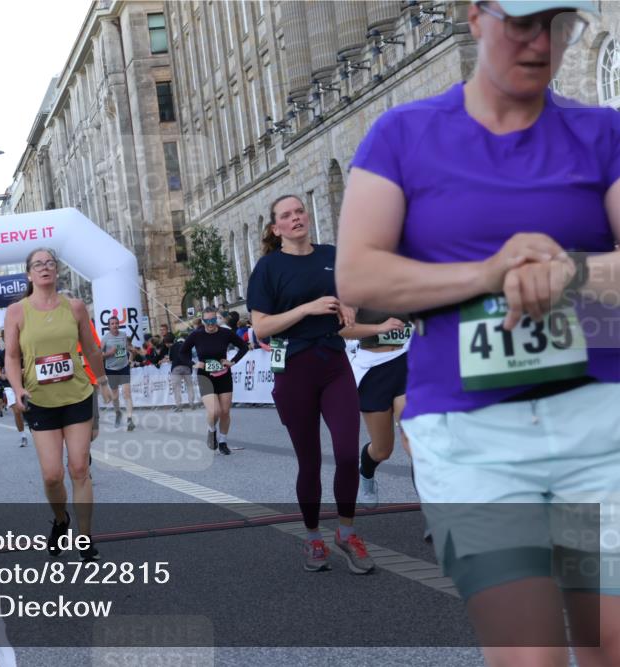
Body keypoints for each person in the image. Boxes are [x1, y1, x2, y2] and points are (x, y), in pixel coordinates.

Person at [336, 0, 620, 660]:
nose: (540, 42)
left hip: (599, 426)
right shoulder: (401, 135)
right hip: (471, 438)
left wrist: (569, 273)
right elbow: (359, 275)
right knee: (530, 653)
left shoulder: (602, 133)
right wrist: (491, 273)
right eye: (522, 22)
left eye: (559, 24)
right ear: (474, 16)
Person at [247, 194, 374, 575]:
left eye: (300, 210)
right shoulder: (268, 268)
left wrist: (349, 305)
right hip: (294, 369)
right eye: (286, 215)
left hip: (334, 363)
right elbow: (260, 327)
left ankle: (346, 533)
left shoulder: (332, 255)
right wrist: (307, 308)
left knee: (348, 454)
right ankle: (314, 537)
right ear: (276, 228)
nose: (296, 217)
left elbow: (348, 302)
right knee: (310, 461)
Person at [4, 247, 113, 561]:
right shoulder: (17, 312)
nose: (44, 268)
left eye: (50, 263)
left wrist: (103, 382)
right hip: (40, 400)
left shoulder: (75, 307)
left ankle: (85, 537)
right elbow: (11, 357)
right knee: (52, 475)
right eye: (38, 264)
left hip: (77, 396)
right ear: (29, 274)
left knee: (79, 468)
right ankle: (62, 520)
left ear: (57, 271)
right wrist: (17, 388)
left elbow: (91, 350)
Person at [341, 310, 413, 509]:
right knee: (382, 450)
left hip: (406, 360)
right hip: (372, 369)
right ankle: (366, 472)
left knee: (414, 439)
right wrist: (378, 328)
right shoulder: (356, 284)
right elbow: (340, 329)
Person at [182, 306, 248, 455]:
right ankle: (211, 431)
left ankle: (223, 441)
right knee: (214, 411)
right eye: (207, 321)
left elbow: (243, 347)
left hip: (224, 375)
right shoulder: (196, 335)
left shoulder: (225, 333)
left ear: (217, 319)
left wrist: (232, 361)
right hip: (205, 376)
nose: (210, 324)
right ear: (203, 320)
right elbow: (182, 352)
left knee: (225, 412)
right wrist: (193, 364)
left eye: (213, 320)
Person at [101, 315, 137, 431]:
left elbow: (127, 347)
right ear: (109, 326)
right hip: (111, 369)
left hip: (124, 367)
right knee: (115, 395)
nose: (115, 325)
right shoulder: (105, 339)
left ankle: (130, 419)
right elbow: (99, 356)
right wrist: (110, 353)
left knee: (127, 392)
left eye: (116, 323)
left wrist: (132, 352)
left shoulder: (123, 335)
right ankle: (118, 413)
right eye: (112, 324)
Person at [167, 331, 197, 411]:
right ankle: (192, 403)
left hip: (176, 368)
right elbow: (190, 357)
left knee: (176, 388)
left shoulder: (173, 346)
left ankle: (179, 406)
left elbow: (170, 359)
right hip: (187, 367)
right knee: (189, 386)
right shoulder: (188, 346)